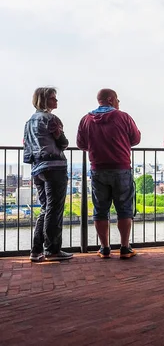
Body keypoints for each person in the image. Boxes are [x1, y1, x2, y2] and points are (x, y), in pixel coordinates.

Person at [77, 89, 141, 259]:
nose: (119, 103)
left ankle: (104, 248)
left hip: (98, 168)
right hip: (121, 167)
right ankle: (124, 247)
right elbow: (136, 139)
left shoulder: (86, 119)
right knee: (124, 209)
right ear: (111, 100)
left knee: (100, 209)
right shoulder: (123, 117)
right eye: (118, 100)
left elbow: (81, 143)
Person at [23, 87, 73, 262]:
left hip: (38, 168)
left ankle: (36, 250)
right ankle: (52, 249)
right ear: (45, 101)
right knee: (54, 208)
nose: (56, 101)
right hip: (54, 166)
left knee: (45, 208)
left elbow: (26, 147)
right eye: (53, 98)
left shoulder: (29, 122)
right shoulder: (51, 119)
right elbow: (63, 143)